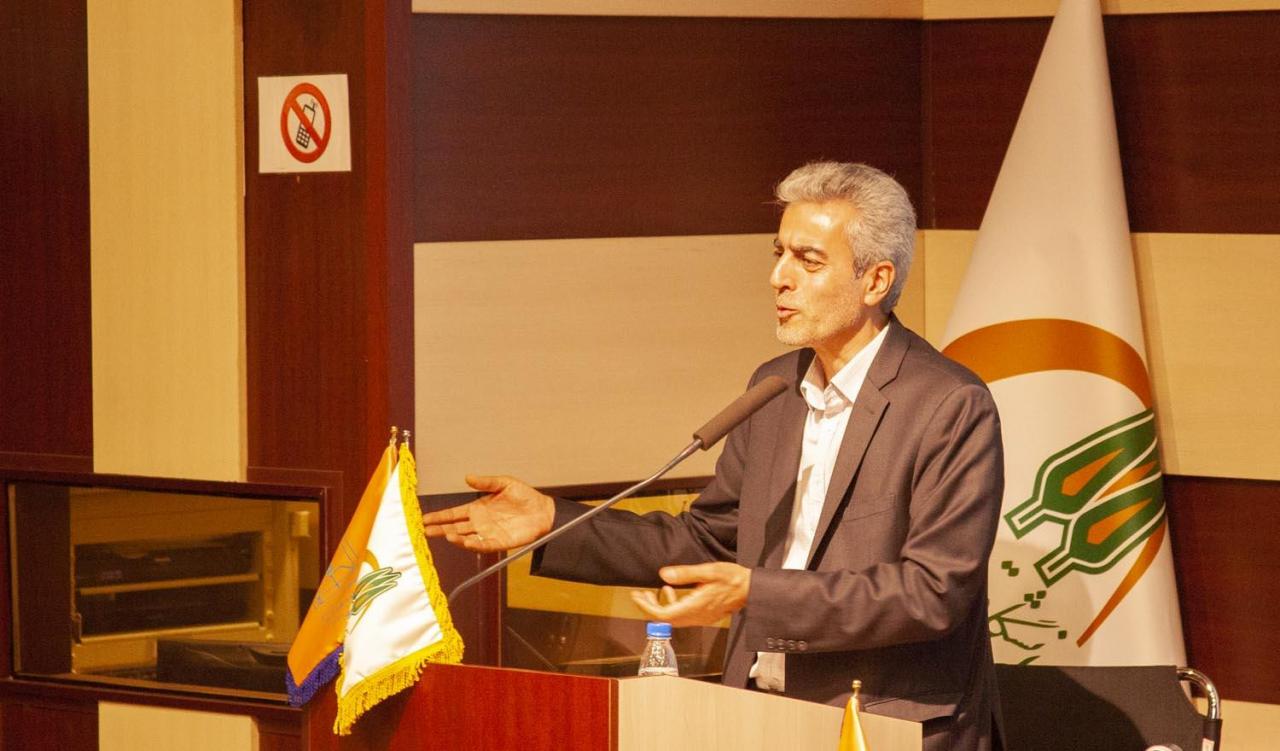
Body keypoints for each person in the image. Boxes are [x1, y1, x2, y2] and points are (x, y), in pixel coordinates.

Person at [423, 162, 1004, 751]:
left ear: (875, 282)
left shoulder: (947, 404)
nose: (778, 278)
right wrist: (555, 521)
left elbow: (932, 593)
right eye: (778, 253)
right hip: (753, 714)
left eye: (808, 261)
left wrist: (755, 593)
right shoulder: (774, 387)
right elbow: (710, 540)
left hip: (881, 723)